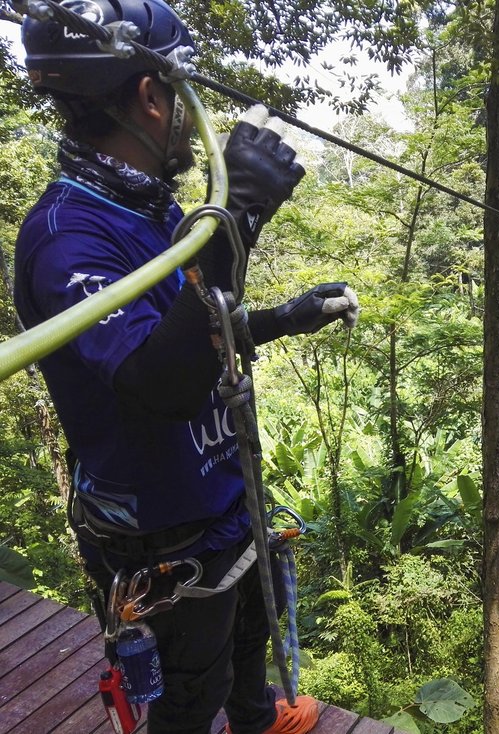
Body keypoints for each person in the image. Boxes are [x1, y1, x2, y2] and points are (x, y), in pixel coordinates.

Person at [14, 1, 358, 732]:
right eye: (185, 89)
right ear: (150, 95)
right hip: (160, 532)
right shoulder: (66, 236)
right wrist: (241, 219)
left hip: (219, 495)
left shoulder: (146, 208)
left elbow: (191, 325)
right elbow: (157, 379)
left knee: (246, 632)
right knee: (186, 693)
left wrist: (279, 319)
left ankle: (259, 715)